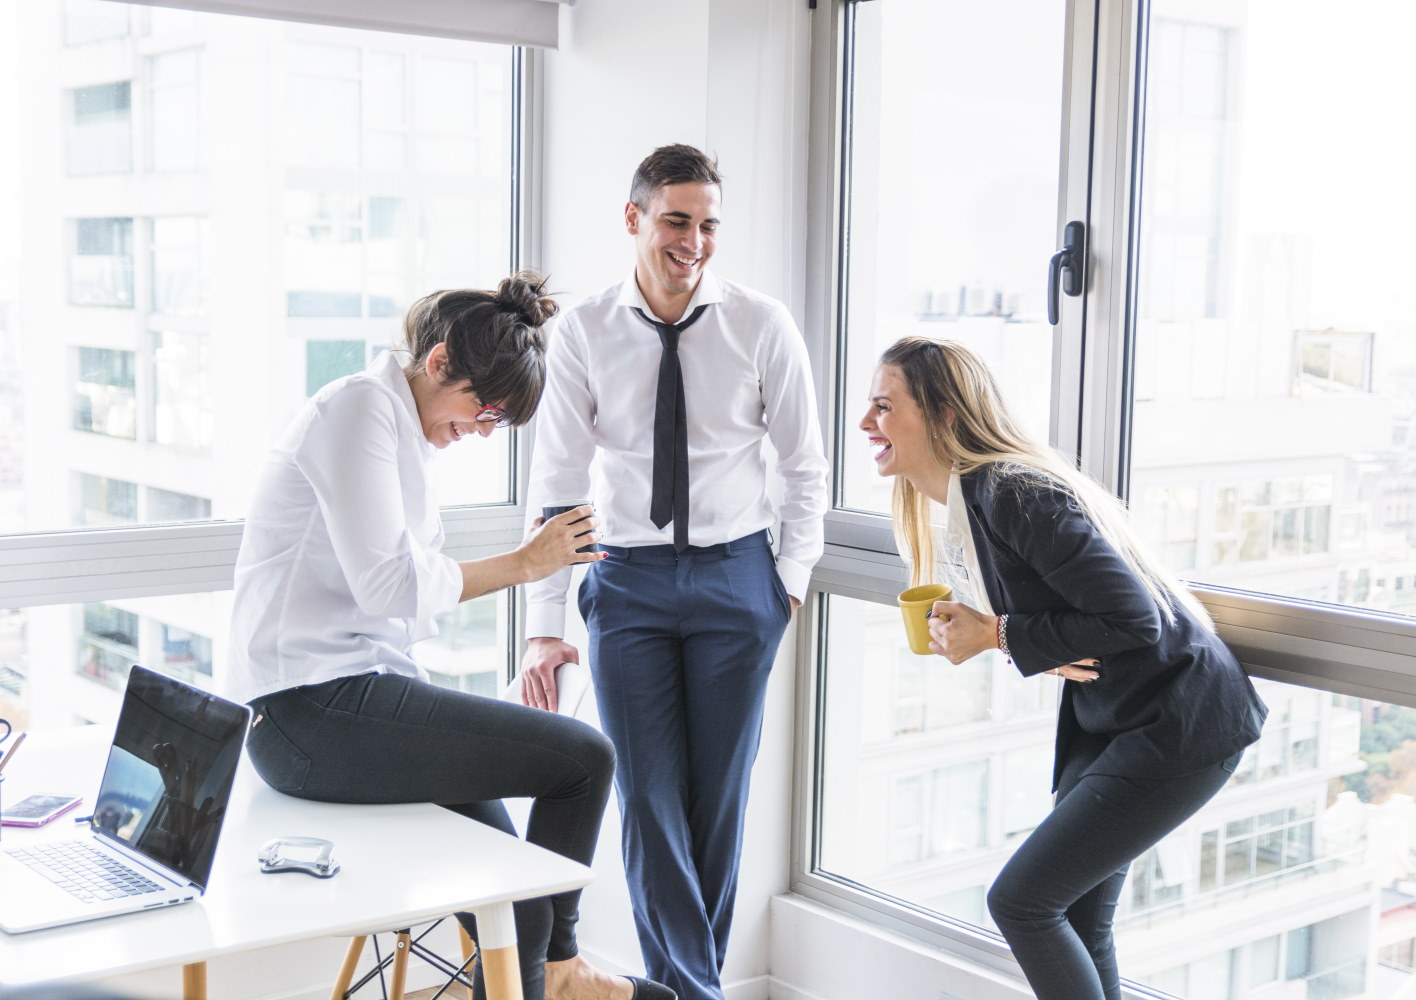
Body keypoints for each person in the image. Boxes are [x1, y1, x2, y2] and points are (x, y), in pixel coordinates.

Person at [226, 273, 675, 1000]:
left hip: (349, 696)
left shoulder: (399, 429)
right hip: (303, 713)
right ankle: (559, 975)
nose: (482, 429)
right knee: (585, 760)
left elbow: (395, 599)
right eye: (483, 408)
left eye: (497, 421)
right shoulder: (358, 412)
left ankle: (535, 976)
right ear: (437, 364)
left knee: (507, 871)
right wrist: (529, 565)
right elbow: (391, 588)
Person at [860, 336, 1267, 1000]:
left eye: (882, 406)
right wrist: (991, 631)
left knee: (1021, 902)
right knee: (1076, 916)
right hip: (1118, 717)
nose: (865, 423)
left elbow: (1137, 619)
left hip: (1180, 721)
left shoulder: (1013, 493)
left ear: (944, 415)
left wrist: (996, 634)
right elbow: (1081, 617)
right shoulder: (974, 502)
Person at [521, 145, 828, 1000]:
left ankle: (681, 988)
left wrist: (787, 585)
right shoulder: (584, 331)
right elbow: (556, 484)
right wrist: (546, 624)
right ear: (635, 219)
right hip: (627, 583)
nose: (693, 242)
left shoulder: (762, 325)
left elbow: (806, 468)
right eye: (676, 221)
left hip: (740, 581)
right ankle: (697, 994)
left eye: (707, 225)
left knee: (714, 809)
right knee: (647, 804)